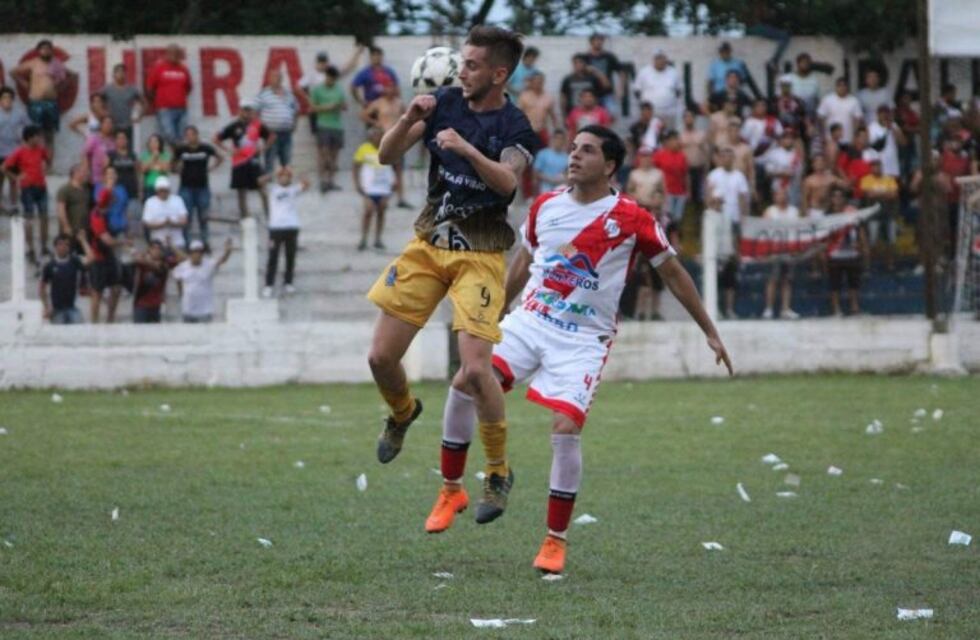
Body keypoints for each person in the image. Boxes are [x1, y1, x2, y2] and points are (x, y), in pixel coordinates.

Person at [425, 126, 732, 576]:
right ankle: (453, 489)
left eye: (586, 151)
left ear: (609, 165)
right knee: (467, 379)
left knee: (565, 426)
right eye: (573, 149)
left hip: (584, 339)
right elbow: (524, 262)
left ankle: (555, 540)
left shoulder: (632, 218)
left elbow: (673, 273)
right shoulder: (546, 206)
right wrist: (498, 310)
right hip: (530, 320)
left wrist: (709, 329)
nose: (574, 156)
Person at [369, 26, 539, 525]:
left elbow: (506, 182)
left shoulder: (515, 126)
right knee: (380, 357)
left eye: (471, 65)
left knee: (476, 370)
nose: (460, 72)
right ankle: (403, 411)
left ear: (499, 74)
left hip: (480, 255)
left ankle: (497, 472)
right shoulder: (443, 103)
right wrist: (408, 118)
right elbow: (386, 155)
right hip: (429, 245)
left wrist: (466, 149)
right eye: (461, 62)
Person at [12, 39, 76, 158]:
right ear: (38, 51)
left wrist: (60, 88)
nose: (46, 51)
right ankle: (36, 162)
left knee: (50, 135)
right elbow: (14, 72)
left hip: (51, 103)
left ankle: (49, 165)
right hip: (35, 103)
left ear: (51, 51)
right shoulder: (33, 63)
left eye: (48, 49)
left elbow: (71, 75)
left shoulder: (56, 64)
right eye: (43, 49)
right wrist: (25, 84)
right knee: (35, 135)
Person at [214, 100, 272, 218]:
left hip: (254, 162)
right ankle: (245, 218)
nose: (247, 112)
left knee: (262, 190)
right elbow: (216, 138)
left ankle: (270, 217)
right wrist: (229, 150)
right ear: (240, 110)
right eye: (244, 110)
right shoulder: (233, 126)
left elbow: (271, 136)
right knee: (241, 193)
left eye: (249, 110)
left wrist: (263, 148)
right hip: (239, 163)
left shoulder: (257, 124)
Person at [3, 125, 51, 263]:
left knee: (44, 217)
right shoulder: (20, 152)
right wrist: (16, 177)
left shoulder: (40, 149)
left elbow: (48, 160)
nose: (38, 138)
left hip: (40, 186)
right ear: (29, 138)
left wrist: (45, 170)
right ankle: (31, 249)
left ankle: (43, 246)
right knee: (29, 219)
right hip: (27, 188)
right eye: (36, 136)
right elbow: (4, 167)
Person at [260, 166, 309, 297]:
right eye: (282, 176)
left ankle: (288, 282)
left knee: (290, 256)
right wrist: (272, 174)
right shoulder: (273, 189)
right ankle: (269, 284)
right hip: (276, 228)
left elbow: (306, 184)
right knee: (273, 257)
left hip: (291, 226)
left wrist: (298, 174)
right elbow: (260, 182)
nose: (284, 178)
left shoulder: (294, 189)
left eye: (286, 176)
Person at [174, 125, 222, 247]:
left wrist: (212, 168)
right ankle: (187, 243)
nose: (189, 137)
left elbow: (219, 157)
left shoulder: (205, 148)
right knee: (187, 216)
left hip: (202, 187)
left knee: (203, 217)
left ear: (197, 135)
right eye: (187, 135)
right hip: (186, 187)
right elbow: (172, 163)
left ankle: (205, 242)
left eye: (191, 135)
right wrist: (177, 169)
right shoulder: (181, 149)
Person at [300, 47, 364, 135]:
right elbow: (298, 87)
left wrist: (357, 53)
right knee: (319, 136)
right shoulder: (311, 74)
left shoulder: (332, 73)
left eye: (324, 62)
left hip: (332, 114)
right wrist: (308, 100)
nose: (322, 64)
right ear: (317, 62)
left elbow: (347, 67)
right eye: (320, 62)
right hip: (318, 110)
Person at [824, 187, 866, 316]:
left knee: (853, 283)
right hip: (834, 253)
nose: (837, 199)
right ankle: (836, 308)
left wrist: (862, 245)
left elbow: (859, 229)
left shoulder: (852, 213)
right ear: (831, 199)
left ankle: (854, 307)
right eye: (835, 196)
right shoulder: (828, 216)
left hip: (852, 252)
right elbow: (823, 236)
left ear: (844, 199)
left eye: (840, 196)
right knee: (835, 284)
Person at [353, 128, 395, 251]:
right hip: (369, 188)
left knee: (381, 212)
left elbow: (395, 166)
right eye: (375, 135)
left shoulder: (388, 147)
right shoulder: (364, 149)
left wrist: (394, 182)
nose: (377, 138)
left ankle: (378, 238)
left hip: (384, 187)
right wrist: (357, 183)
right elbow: (355, 166)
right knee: (368, 211)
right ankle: (364, 238)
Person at [761, 188, 801, 319]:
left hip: (789, 249)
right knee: (772, 279)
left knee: (787, 280)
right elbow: (764, 230)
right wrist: (766, 249)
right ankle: (769, 308)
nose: (781, 197)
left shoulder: (794, 211)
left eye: (784, 194)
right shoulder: (769, 211)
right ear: (775, 197)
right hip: (774, 249)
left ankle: (785, 308)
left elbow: (799, 229)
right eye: (779, 194)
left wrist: (797, 247)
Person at [86, 187, 124, 323]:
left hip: (108, 255)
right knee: (97, 291)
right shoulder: (96, 216)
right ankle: (94, 322)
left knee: (116, 288)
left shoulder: (104, 214)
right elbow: (107, 240)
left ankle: (110, 319)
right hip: (98, 257)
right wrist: (123, 242)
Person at [173, 238, 232, 323]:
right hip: (188, 310)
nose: (197, 254)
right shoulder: (183, 266)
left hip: (205, 311)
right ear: (191, 253)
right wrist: (181, 293)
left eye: (200, 252)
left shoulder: (208, 264)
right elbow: (177, 278)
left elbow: (221, 260)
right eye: (195, 252)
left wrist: (227, 252)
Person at [145, 44, 192, 149]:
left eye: (177, 53)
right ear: (167, 54)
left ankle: (176, 155)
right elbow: (149, 88)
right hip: (164, 109)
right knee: (169, 135)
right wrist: (159, 101)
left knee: (181, 136)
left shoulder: (184, 69)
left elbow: (188, 88)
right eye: (172, 53)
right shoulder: (159, 68)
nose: (174, 55)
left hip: (182, 109)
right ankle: (177, 152)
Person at [859, 153, 900, 268]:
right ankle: (869, 264)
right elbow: (868, 194)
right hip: (873, 215)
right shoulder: (866, 179)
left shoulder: (889, 179)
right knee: (872, 240)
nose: (876, 168)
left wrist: (877, 193)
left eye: (878, 166)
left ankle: (890, 264)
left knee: (891, 240)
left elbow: (894, 194)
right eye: (874, 166)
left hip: (888, 213)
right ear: (871, 168)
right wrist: (886, 193)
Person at [310, 67, 347, 193]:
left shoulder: (339, 89)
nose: (331, 81)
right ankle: (322, 181)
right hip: (323, 125)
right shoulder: (317, 90)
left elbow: (344, 106)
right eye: (329, 78)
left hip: (337, 126)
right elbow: (312, 108)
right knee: (323, 155)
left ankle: (331, 181)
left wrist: (340, 105)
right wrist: (327, 107)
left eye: (333, 79)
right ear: (326, 76)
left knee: (334, 156)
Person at [40, 233, 88, 324]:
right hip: (57, 310)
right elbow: (42, 287)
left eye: (66, 244)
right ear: (55, 247)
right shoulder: (50, 266)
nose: (63, 247)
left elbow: (91, 259)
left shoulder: (75, 261)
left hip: (72, 307)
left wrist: (83, 241)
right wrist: (46, 307)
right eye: (60, 244)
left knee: (80, 328)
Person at [256, 70, 299, 172]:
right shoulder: (263, 94)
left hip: (286, 134)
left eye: (279, 77)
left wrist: (294, 125)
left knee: (286, 163)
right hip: (270, 134)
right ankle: (269, 180)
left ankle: (285, 181)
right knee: (269, 162)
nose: (277, 79)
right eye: (275, 77)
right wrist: (262, 129)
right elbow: (256, 112)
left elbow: (296, 110)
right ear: (269, 79)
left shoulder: (289, 94)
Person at [0, 87, 33, 214]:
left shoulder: (19, 114)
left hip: (14, 152)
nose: (7, 100)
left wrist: (25, 142)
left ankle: (13, 204)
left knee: (13, 180)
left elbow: (29, 127)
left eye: (9, 98)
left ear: (13, 100)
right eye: (4, 97)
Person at [632, 49, 682, 128]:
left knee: (669, 134)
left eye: (662, 58)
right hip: (650, 114)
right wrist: (645, 106)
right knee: (650, 134)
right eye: (658, 58)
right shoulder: (644, 72)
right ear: (653, 60)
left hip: (668, 114)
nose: (660, 61)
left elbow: (679, 91)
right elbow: (637, 91)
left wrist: (668, 100)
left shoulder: (673, 72)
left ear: (666, 59)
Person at [652, 131, 689, 237]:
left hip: (680, 192)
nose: (676, 142)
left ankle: (674, 239)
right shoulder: (660, 155)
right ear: (668, 142)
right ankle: (665, 238)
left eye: (677, 139)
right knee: (667, 217)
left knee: (677, 217)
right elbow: (654, 173)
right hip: (666, 191)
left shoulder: (682, 156)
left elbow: (686, 174)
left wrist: (688, 190)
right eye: (674, 140)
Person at [132, 239, 178, 323]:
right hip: (141, 304)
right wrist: (149, 260)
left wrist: (172, 247)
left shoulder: (165, 263)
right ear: (149, 250)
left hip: (156, 305)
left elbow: (181, 259)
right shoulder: (144, 262)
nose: (156, 251)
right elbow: (136, 259)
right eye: (153, 248)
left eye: (159, 248)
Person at [102, 64, 144, 149]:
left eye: (123, 72)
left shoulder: (132, 89)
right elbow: (96, 102)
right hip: (112, 127)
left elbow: (144, 103)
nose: (121, 74)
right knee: (112, 151)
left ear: (125, 74)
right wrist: (103, 115)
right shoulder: (107, 89)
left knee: (127, 150)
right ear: (113, 74)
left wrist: (139, 116)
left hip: (127, 126)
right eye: (118, 72)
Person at [580, 34, 624, 114]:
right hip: (591, 94)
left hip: (607, 93)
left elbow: (621, 72)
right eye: (596, 40)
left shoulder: (609, 56)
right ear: (591, 42)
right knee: (592, 117)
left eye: (601, 40)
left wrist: (620, 89)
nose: (599, 42)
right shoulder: (585, 57)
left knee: (612, 114)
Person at [142, 176, 188, 250]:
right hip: (158, 245)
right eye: (161, 190)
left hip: (177, 243)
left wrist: (172, 223)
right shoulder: (150, 202)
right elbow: (146, 223)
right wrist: (163, 223)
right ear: (157, 190)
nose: (163, 192)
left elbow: (184, 221)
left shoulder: (178, 200)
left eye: (165, 190)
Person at [107, 130, 140, 231]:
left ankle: (130, 236)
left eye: (123, 138)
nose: (121, 140)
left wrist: (140, 189)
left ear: (127, 141)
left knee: (131, 215)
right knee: (117, 213)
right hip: (117, 190)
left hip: (131, 189)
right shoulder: (111, 155)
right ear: (115, 141)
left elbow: (138, 172)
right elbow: (106, 172)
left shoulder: (132, 155)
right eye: (119, 138)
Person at [762, 129, 804, 207]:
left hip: (792, 190)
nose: (789, 140)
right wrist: (783, 173)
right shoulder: (774, 153)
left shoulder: (796, 155)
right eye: (786, 138)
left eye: (791, 138)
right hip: (778, 188)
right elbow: (768, 172)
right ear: (781, 140)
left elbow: (799, 173)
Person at [817, 78, 864, 145]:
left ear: (847, 87)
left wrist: (855, 136)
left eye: (844, 85)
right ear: (836, 87)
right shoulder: (827, 99)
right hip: (830, 139)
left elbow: (858, 120)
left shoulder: (854, 101)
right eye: (840, 85)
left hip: (848, 139)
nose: (842, 88)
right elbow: (820, 118)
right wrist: (823, 135)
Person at [559, 54, 606, 118]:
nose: (578, 65)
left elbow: (601, 91)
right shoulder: (568, 79)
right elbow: (563, 97)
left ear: (585, 64)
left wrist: (595, 71)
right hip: (573, 112)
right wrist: (564, 114)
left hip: (591, 112)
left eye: (580, 62)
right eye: (575, 63)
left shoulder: (592, 78)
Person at [679, 109, 709, 206]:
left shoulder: (701, 134)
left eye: (691, 116)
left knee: (699, 197)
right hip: (684, 170)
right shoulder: (680, 135)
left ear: (695, 119)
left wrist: (706, 170)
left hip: (699, 169)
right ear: (683, 119)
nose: (689, 119)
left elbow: (706, 153)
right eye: (686, 117)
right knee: (686, 197)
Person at [867, 105, 905, 180]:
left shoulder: (894, 125)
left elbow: (903, 142)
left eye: (886, 114)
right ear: (878, 115)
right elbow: (868, 145)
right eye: (882, 114)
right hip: (878, 164)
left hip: (892, 163)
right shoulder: (871, 127)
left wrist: (892, 128)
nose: (884, 116)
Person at [55, 163, 90, 242]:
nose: (86, 174)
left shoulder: (86, 188)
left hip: (83, 231)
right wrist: (66, 226)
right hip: (71, 231)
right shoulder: (65, 190)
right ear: (75, 173)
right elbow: (61, 210)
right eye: (83, 172)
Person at [94, 165, 129, 238]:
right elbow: (100, 205)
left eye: (113, 173)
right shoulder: (99, 187)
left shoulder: (121, 189)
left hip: (121, 225)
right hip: (105, 225)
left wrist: (126, 223)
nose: (111, 176)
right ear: (104, 176)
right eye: (109, 173)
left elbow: (125, 207)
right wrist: (108, 188)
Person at [81, 115, 115, 189]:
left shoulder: (112, 141)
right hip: (95, 177)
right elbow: (85, 154)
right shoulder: (94, 138)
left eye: (110, 123)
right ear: (101, 125)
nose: (108, 125)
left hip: (109, 178)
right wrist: (86, 171)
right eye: (106, 123)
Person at [533, 129, 569, 194]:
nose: (559, 141)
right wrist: (550, 179)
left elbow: (567, 173)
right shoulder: (543, 154)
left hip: (561, 190)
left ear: (564, 141)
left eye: (561, 139)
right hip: (545, 190)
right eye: (557, 138)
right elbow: (536, 172)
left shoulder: (567, 157)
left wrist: (562, 178)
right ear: (552, 139)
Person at [140, 134, 171, 202]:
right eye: (151, 142)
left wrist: (158, 158)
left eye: (155, 141)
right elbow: (143, 170)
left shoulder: (166, 155)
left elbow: (165, 169)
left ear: (160, 143)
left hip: (162, 187)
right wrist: (153, 158)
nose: (153, 144)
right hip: (149, 186)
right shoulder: (144, 155)